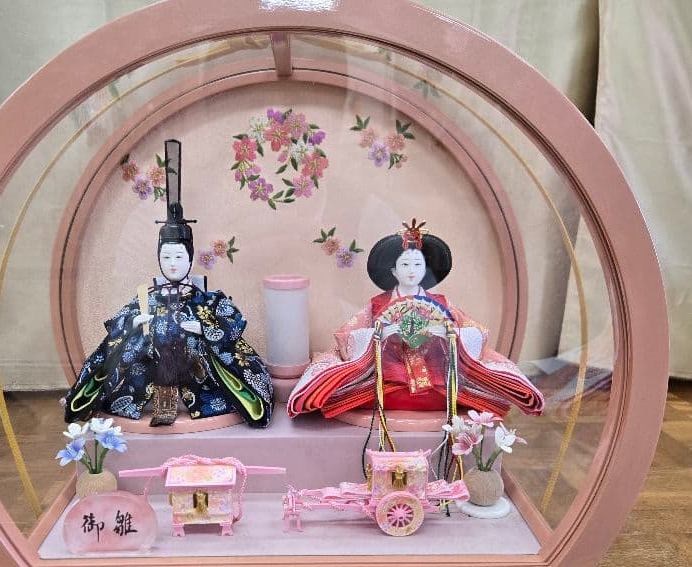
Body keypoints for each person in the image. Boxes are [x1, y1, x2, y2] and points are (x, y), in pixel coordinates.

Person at [64, 140, 273, 428]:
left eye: (179, 256)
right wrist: (134, 324)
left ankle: (198, 400)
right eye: (166, 257)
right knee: (127, 346)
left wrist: (204, 329)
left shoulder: (207, 299)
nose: (172, 263)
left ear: (190, 257)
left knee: (222, 359)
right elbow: (117, 325)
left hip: (199, 379)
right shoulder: (147, 298)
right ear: (158, 258)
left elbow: (233, 324)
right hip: (149, 373)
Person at [287, 219, 543, 420]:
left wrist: (447, 334)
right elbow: (347, 337)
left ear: (426, 270)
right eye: (405, 265)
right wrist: (382, 334)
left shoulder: (441, 303)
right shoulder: (378, 304)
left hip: (437, 379)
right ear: (393, 270)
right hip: (388, 378)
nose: (412, 271)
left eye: (418, 265)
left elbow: (476, 333)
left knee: (469, 388)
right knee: (346, 390)